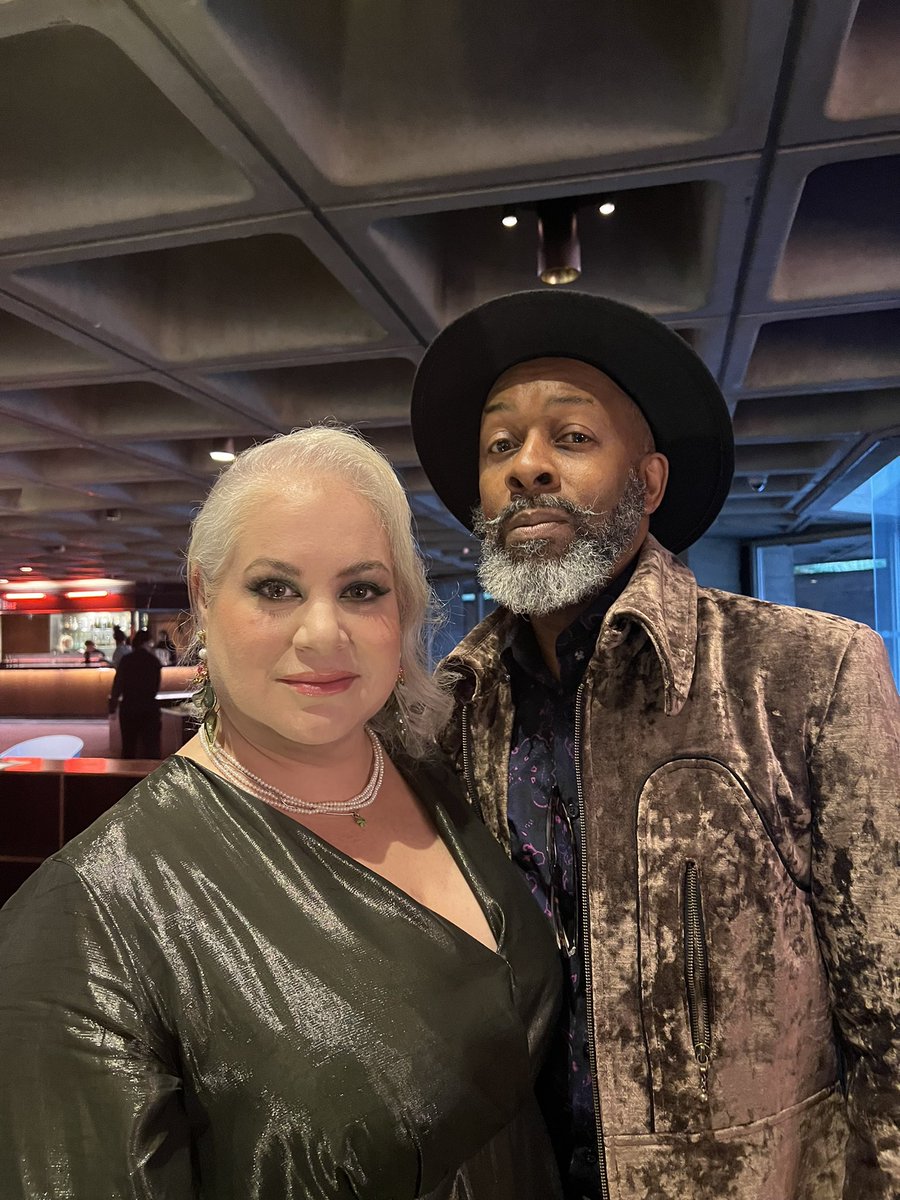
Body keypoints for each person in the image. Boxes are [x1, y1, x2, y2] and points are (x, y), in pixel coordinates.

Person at [410, 290, 900, 1200]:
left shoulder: (806, 671)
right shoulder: (451, 710)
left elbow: (890, 1000)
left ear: (651, 482)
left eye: (573, 438)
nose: (529, 469)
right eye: (500, 445)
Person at [0, 426, 563, 1200]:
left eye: (361, 590)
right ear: (202, 596)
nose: (322, 633)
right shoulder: (93, 915)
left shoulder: (444, 781)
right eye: (275, 588)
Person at [109, 628, 162, 758]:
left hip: (129, 706)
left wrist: (113, 705)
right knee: (150, 746)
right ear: (147, 642)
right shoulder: (153, 661)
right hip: (149, 707)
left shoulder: (126, 660)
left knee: (128, 745)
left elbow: (118, 684)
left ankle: (128, 775)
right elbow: (155, 687)